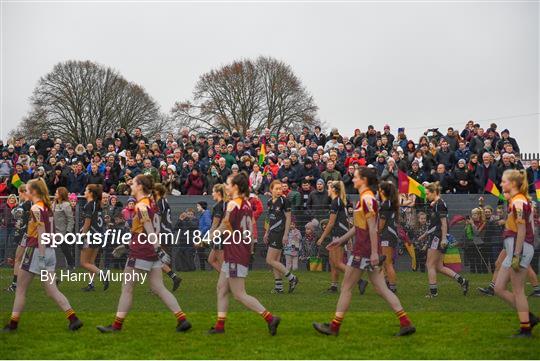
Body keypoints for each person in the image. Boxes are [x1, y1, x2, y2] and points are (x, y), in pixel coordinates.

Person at [312, 167, 415, 337]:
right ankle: (405, 323)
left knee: (346, 287)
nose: (352, 180)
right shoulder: (366, 198)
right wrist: (341, 239)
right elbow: (360, 227)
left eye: (356, 177)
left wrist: (374, 253)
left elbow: (373, 228)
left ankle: (334, 327)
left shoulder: (367, 199)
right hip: (367, 250)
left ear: (364, 180)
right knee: (382, 288)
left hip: (363, 250)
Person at [97, 174, 191, 333]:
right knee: (158, 287)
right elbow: (146, 228)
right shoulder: (151, 203)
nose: (131, 185)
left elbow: (147, 225)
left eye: (133, 183)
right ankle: (182, 319)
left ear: (140, 186)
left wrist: (155, 247)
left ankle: (116, 325)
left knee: (127, 287)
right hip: (149, 248)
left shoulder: (141, 205)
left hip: (143, 249)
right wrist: (128, 245)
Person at [2, 179, 83, 332]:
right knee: (52, 290)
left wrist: (41, 257)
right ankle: (73, 318)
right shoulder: (47, 206)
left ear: (33, 191)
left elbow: (41, 233)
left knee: (20, 289)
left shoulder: (36, 207)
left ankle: (12, 324)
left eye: (27, 189)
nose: (25, 191)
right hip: (49, 251)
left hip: (37, 251)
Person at [208, 172, 280, 335]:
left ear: (236, 187)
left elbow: (225, 226)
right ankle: (220, 326)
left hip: (235, 250)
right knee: (221, 288)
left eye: (228, 183)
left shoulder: (234, 204)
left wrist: (207, 239)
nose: (226, 186)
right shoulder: (246, 203)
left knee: (239, 294)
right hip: (238, 249)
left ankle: (270, 318)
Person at [492, 169, 539, 337]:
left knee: (518, 290)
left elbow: (521, 230)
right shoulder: (517, 200)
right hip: (514, 248)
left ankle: (526, 328)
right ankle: (528, 316)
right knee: (498, 288)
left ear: (512, 184)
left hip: (519, 248)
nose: (501, 184)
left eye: (504, 181)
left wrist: (517, 255)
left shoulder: (518, 201)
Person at [421, 182, 469, 298]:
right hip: (438, 236)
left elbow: (443, 223)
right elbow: (437, 224)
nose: (426, 196)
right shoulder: (436, 204)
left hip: (438, 238)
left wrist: (443, 239)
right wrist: (426, 234)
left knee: (430, 265)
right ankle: (462, 281)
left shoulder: (439, 204)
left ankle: (433, 293)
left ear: (434, 192)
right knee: (438, 266)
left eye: (427, 194)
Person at [263, 180, 299, 294]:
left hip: (279, 233)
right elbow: (269, 218)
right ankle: (279, 287)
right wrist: (266, 232)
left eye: (280, 188)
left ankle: (292, 278)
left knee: (270, 260)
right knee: (275, 260)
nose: (279, 191)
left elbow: (288, 218)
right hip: (272, 232)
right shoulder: (269, 202)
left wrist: (285, 234)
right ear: (271, 189)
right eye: (276, 188)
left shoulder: (285, 201)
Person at [316, 181, 351, 293]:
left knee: (337, 263)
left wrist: (321, 238)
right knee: (332, 261)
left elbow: (331, 223)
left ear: (334, 190)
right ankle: (334, 286)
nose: (328, 190)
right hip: (340, 233)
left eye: (329, 188)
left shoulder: (336, 202)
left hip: (338, 234)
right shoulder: (339, 201)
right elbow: (347, 221)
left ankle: (359, 280)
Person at [79, 184, 109, 291]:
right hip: (98, 235)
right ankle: (91, 284)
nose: (85, 191)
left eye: (86, 190)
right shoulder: (97, 204)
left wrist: (83, 235)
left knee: (84, 262)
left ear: (91, 193)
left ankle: (102, 274)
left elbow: (88, 222)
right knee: (91, 262)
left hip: (91, 235)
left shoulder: (89, 205)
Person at [154, 183, 181, 291]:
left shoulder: (160, 202)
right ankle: (172, 278)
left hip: (163, 233)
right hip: (167, 232)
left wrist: (155, 234)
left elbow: (158, 219)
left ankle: (169, 280)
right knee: (162, 259)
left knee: (159, 259)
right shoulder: (164, 201)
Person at [5, 185, 32, 292]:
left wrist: (16, 210)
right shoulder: (26, 203)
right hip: (24, 234)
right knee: (26, 260)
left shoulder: (27, 204)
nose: (18, 195)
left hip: (25, 234)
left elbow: (16, 214)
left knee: (19, 259)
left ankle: (15, 284)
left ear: (23, 192)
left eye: (19, 193)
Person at [378, 181, 400, 293]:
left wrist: (376, 232)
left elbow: (381, 224)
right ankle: (387, 283)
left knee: (387, 262)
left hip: (387, 234)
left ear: (383, 191)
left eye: (380, 189)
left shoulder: (385, 204)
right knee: (387, 262)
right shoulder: (392, 203)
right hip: (392, 233)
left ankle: (392, 287)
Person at [52, 187, 75, 270]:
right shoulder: (54, 204)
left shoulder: (66, 205)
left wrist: (68, 231)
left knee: (65, 250)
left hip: (62, 232)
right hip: (53, 231)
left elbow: (70, 219)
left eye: (57, 193)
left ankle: (71, 265)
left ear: (61, 194)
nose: (55, 194)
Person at [207, 184, 228, 272]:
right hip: (222, 235)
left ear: (218, 193)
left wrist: (208, 238)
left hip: (219, 236)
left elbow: (215, 225)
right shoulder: (225, 204)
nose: (212, 194)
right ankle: (225, 281)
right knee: (211, 260)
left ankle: (227, 281)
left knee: (223, 263)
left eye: (213, 192)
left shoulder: (218, 206)